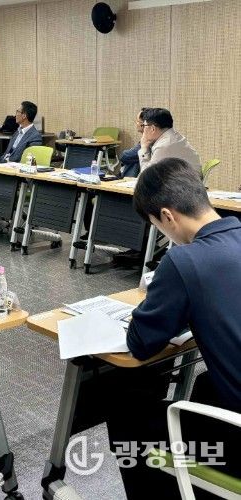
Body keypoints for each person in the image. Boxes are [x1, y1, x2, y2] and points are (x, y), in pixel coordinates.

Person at [106, 158, 240, 498]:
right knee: (207, 384)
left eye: (157, 226)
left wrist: (159, 298)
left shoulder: (184, 260)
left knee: (126, 411)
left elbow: (141, 343)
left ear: (167, 216)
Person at [119, 108, 148, 178]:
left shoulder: (148, 140)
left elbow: (124, 156)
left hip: (141, 177)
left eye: (137, 121)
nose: (136, 124)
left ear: (143, 124)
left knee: (133, 161)